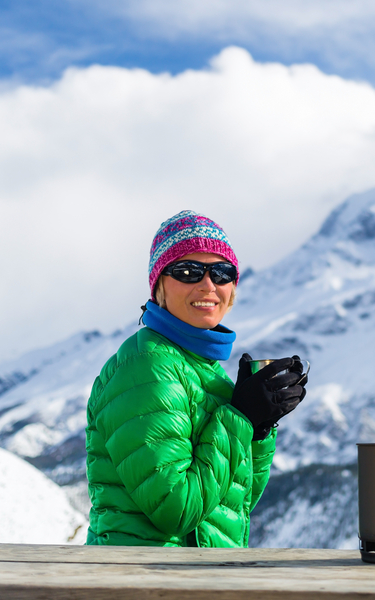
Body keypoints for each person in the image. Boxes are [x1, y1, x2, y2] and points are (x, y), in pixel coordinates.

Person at [84, 210, 307, 547]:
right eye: (188, 272)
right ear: (160, 283)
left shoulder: (201, 368)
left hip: (190, 579)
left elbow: (235, 502)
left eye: (221, 272)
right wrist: (240, 417)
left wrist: (258, 430)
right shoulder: (148, 365)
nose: (208, 285)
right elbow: (176, 508)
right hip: (143, 584)